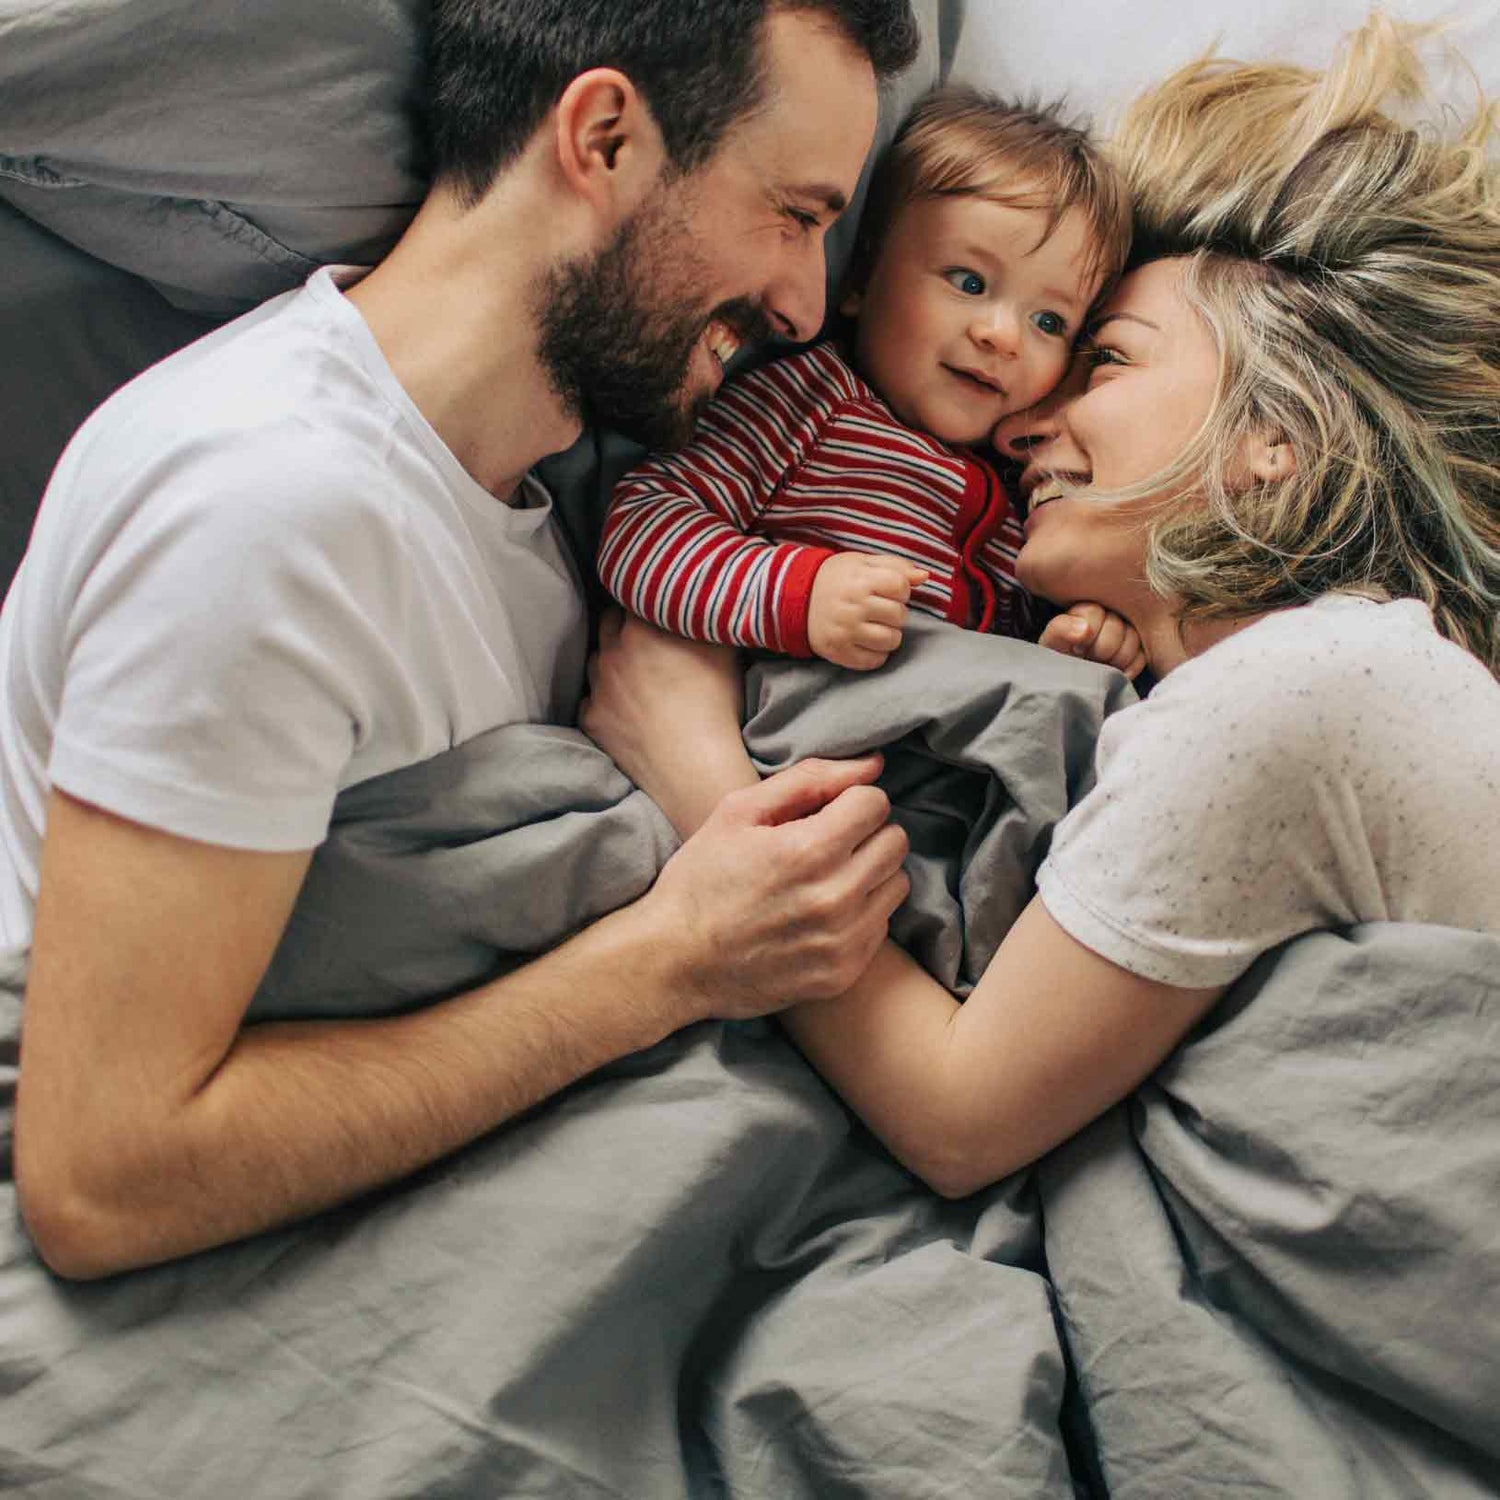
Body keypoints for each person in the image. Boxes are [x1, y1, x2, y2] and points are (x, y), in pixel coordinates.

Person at [1, 0, 925, 1280]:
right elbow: (103, 1176)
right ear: (601, 138)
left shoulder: (533, 497)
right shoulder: (267, 515)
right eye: (796, 216)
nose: (807, 305)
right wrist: (674, 961)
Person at [581, 16, 1500, 1196]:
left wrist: (696, 767)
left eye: (1101, 356)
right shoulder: (1284, 680)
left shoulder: (1298, 688)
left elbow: (959, 1117)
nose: (1020, 422)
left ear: (1280, 439)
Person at [599, 87, 1144, 675]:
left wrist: (1072, 640)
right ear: (860, 278)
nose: (1003, 336)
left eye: (1048, 321)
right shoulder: (804, 404)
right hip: (785, 712)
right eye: (968, 282)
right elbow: (641, 526)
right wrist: (803, 596)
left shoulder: (1023, 477)